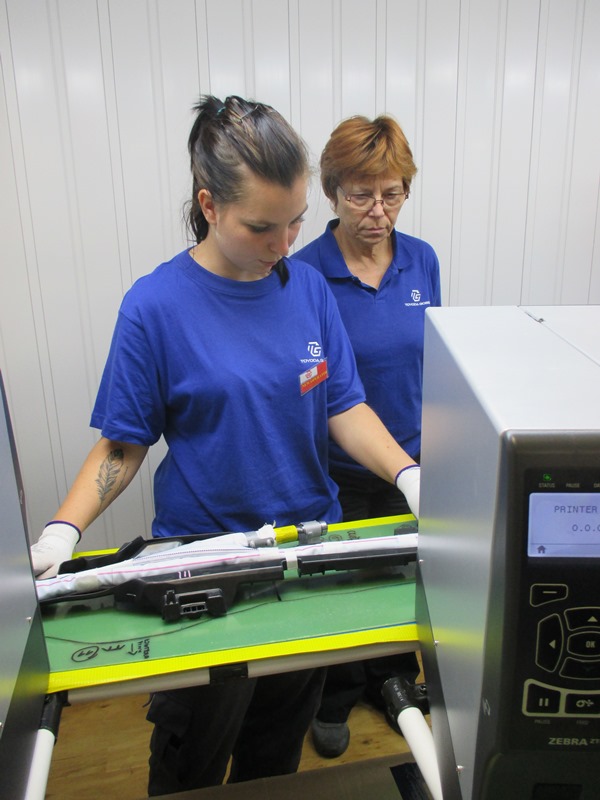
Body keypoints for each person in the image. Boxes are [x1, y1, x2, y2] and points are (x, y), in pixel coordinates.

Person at [30, 95, 422, 794]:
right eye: (262, 227)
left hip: (304, 559)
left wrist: (408, 473)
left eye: (296, 220)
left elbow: (344, 404)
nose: (285, 243)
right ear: (209, 206)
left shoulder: (307, 289)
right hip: (203, 571)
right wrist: (64, 530)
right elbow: (123, 444)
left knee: (275, 755)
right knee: (194, 761)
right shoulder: (155, 306)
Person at [291, 113, 441, 758]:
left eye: (392, 194)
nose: (378, 212)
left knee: (403, 580)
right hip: (340, 470)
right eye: (361, 196)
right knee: (342, 590)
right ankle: (333, 694)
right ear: (331, 192)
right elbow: (309, 383)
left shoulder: (422, 260)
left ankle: (393, 681)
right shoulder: (303, 273)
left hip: (412, 461)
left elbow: (434, 360)